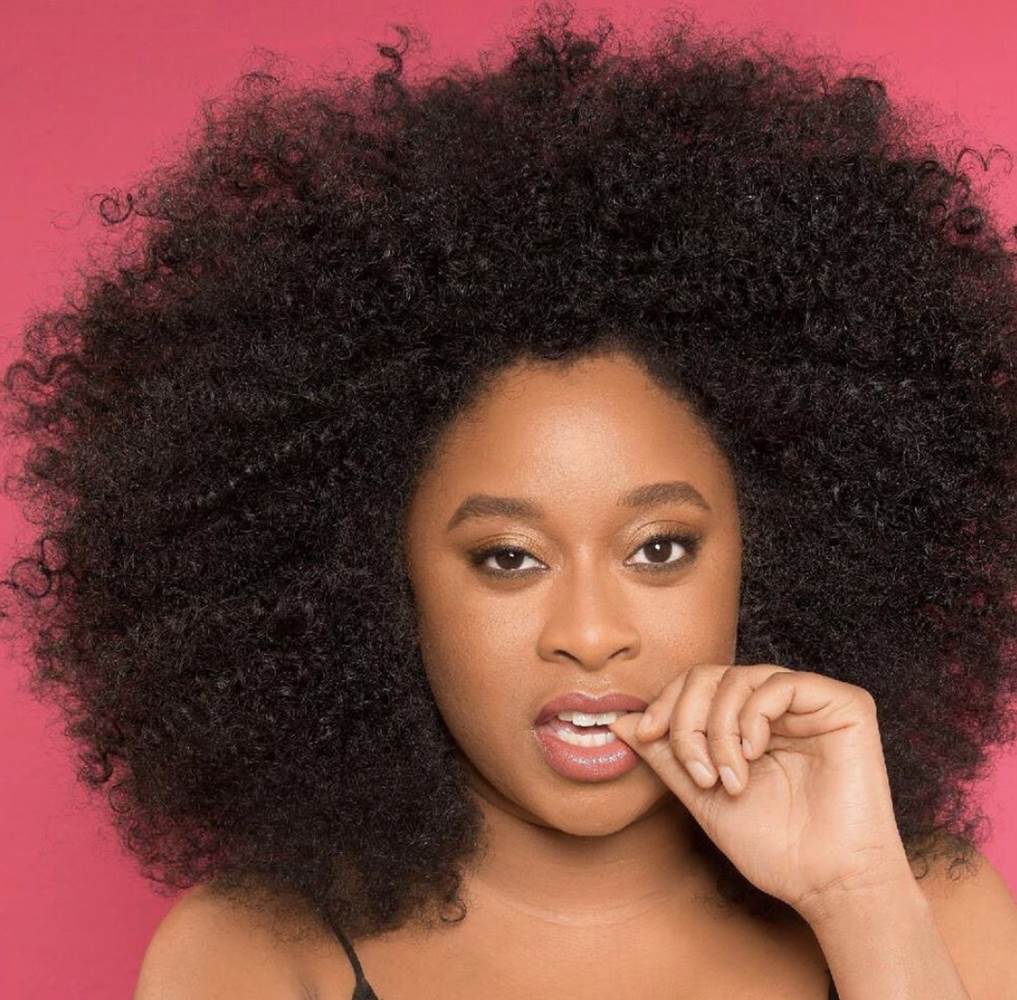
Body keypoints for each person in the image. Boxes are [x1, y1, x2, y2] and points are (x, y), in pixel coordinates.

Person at [3, 3, 1017, 997]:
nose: (590, 634)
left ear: (777, 554)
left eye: (660, 548)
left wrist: (855, 898)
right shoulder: (260, 956)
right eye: (507, 557)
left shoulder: (919, 904)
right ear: (372, 582)